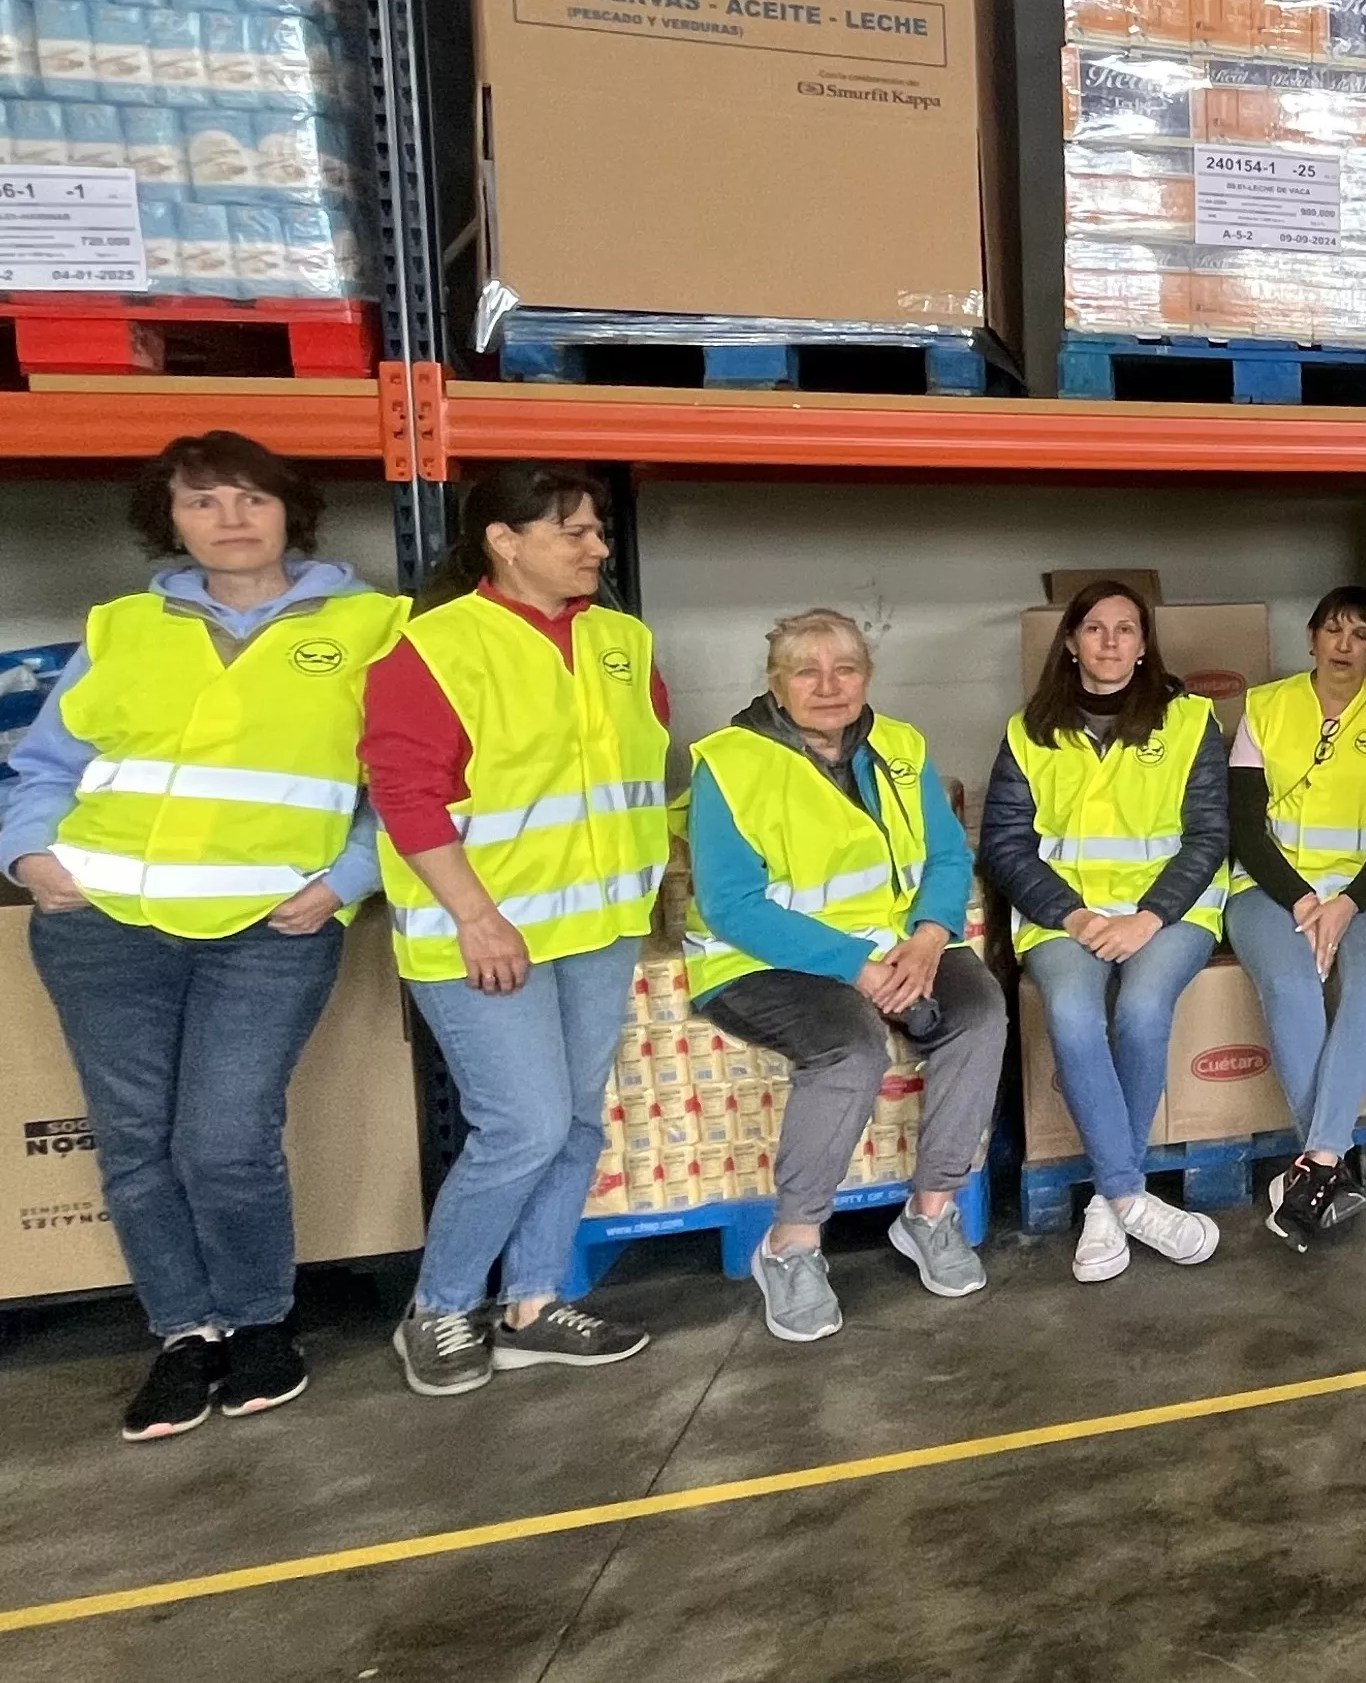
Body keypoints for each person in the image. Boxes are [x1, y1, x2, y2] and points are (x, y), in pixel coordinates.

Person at [3, 433, 407, 1442]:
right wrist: (32, 858)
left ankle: (263, 1321)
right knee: (136, 1144)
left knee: (224, 1138)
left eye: (251, 496)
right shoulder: (124, 626)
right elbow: (45, 764)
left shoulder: (371, 626)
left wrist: (346, 879)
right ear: (169, 518)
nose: (230, 516)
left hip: (267, 926)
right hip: (104, 923)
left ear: (290, 510)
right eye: (201, 500)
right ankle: (186, 1331)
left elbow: (407, 778)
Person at [363, 464, 670, 1396]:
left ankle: (532, 1304)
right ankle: (440, 1307)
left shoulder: (622, 639)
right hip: (484, 936)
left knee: (575, 1124)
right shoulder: (437, 647)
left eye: (598, 531)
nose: (597, 547)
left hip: (600, 926)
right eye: (573, 530)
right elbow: (404, 795)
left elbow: (641, 765)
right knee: (522, 1126)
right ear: (504, 538)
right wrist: (477, 914)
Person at [683, 611, 1000, 1342]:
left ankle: (931, 1211)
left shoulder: (899, 745)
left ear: (867, 675)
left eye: (845, 668)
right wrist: (858, 968)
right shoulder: (728, 761)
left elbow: (949, 858)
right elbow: (731, 905)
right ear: (775, 682)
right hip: (766, 959)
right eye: (806, 670)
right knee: (849, 1048)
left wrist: (927, 940)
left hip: (896, 945)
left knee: (979, 1014)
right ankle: (791, 1245)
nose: (828, 686)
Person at [979, 579, 1228, 1283]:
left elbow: (1208, 834)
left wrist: (1147, 916)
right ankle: (1125, 1195)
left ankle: (1105, 1207)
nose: (1111, 642)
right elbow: (1005, 843)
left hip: (1170, 912)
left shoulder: (1188, 720)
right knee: (1071, 1011)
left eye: (1126, 629)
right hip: (1067, 916)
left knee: (1145, 1008)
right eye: (1095, 628)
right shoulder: (1027, 730)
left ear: (1145, 645)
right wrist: (1078, 915)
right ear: (1070, 641)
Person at [1227, 585, 1366, 1247]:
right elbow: (1245, 826)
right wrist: (1303, 900)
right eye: (1333, 630)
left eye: (1361, 634)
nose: (1345, 645)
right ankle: (1328, 1162)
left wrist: (1345, 904)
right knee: (1290, 983)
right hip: (1273, 886)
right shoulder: (1267, 706)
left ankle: (1314, 1161)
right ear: (1311, 638)